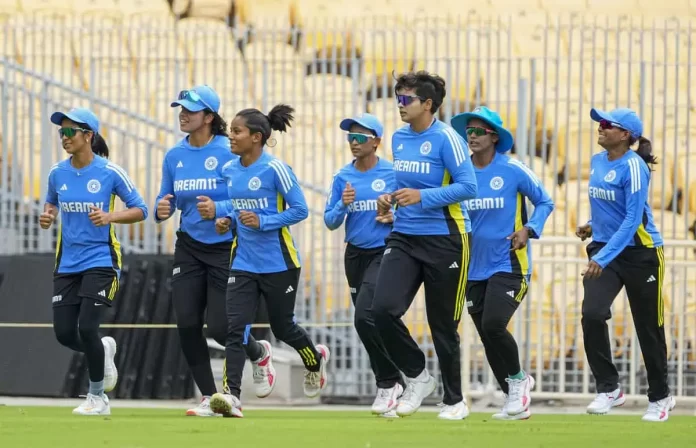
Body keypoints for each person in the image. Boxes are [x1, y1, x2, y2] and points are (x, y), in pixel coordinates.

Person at [155, 85, 276, 417]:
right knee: (187, 323)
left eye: (191, 110)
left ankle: (258, 352)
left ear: (209, 117)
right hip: (189, 247)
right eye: (181, 109)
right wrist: (161, 209)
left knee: (221, 329)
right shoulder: (174, 156)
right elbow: (165, 197)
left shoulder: (229, 150)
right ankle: (211, 397)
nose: (183, 114)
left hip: (227, 248)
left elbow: (252, 195)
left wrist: (222, 212)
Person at [209, 104, 330, 418]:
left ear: (256, 137)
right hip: (243, 263)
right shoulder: (229, 170)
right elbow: (237, 208)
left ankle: (314, 361)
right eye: (231, 130)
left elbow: (300, 210)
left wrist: (263, 222)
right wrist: (227, 221)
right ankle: (231, 396)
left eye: (237, 131)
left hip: (280, 263)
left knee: (283, 327)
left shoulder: (276, 169)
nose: (231, 136)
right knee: (236, 329)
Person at [373, 71, 478, 420]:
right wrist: (390, 198)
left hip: (447, 240)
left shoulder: (448, 139)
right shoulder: (399, 138)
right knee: (381, 310)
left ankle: (455, 400)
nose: (400, 105)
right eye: (398, 98)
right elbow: (404, 182)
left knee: (442, 325)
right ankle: (418, 377)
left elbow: (468, 187)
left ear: (428, 104)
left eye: (407, 99)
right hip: (404, 236)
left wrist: (422, 196)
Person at [40, 107, 148, 415]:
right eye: (61, 132)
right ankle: (104, 349)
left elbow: (141, 209)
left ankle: (97, 397)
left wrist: (110, 216)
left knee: (87, 327)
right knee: (64, 333)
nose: (64, 137)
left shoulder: (110, 172)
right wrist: (48, 215)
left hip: (101, 259)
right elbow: (51, 202)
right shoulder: (57, 173)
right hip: (67, 263)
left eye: (70, 131)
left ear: (88, 136)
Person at [450, 106, 554, 420]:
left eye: (478, 131)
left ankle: (519, 381)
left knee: (493, 324)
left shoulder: (513, 169)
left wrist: (529, 229)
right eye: (468, 131)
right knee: (486, 334)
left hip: (509, 264)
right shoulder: (459, 173)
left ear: (494, 137)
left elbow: (545, 201)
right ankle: (513, 399)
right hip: (471, 268)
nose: (471, 136)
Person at [576, 107, 673, 422]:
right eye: (600, 123)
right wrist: (592, 225)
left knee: (648, 327)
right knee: (592, 314)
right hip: (606, 249)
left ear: (625, 135)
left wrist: (602, 258)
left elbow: (633, 220)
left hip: (641, 254)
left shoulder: (634, 167)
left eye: (607, 124)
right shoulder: (597, 161)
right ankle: (609, 388)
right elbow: (609, 208)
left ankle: (660, 397)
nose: (600, 127)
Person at [324, 113, 403, 418]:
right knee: (372, 321)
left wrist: (393, 216)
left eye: (360, 138)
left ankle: (387, 382)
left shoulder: (393, 173)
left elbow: (411, 211)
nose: (353, 143)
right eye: (350, 137)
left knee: (363, 318)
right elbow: (330, 221)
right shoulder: (343, 176)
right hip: (355, 255)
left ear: (376, 142)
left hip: (384, 251)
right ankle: (398, 381)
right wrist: (343, 203)